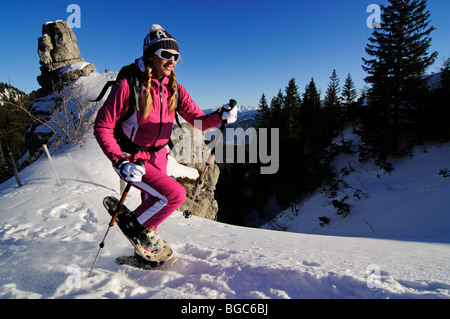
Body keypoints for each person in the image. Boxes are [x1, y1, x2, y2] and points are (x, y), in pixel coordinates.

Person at [94, 24, 237, 257]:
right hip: (132, 159)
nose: (172, 60)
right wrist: (120, 161)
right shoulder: (128, 86)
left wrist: (220, 115)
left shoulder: (174, 89)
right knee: (175, 195)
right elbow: (103, 126)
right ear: (150, 55)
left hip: (159, 155)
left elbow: (199, 120)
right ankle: (136, 228)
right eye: (165, 55)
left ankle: (141, 250)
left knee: (155, 205)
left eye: (176, 56)